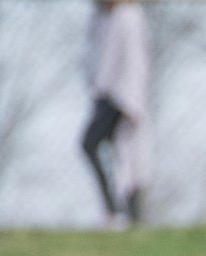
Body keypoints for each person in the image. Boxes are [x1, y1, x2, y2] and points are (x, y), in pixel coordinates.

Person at [80, 0, 149, 227]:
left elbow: (135, 61)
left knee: (98, 146)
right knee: (122, 156)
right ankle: (123, 213)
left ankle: (117, 210)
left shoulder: (128, 15)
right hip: (107, 95)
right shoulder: (104, 18)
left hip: (121, 97)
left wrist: (134, 103)